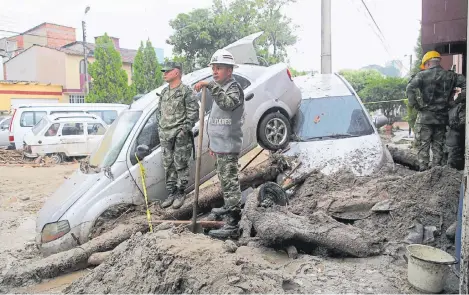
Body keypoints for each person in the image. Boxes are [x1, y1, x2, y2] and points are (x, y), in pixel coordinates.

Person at [194, 49, 245, 239]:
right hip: (220, 146)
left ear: (229, 71)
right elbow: (217, 119)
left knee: (230, 183)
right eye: (213, 68)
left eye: (219, 68)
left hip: (229, 145)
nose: (215, 72)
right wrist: (213, 144)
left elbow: (227, 104)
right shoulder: (220, 87)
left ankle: (233, 223)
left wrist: (210, 85)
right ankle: (229, 208)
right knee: (224, 180)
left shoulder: (233, 88)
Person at [406, 50, 466, 171]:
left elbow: (409, 88)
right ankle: (436, 172)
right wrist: (456, 102)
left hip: (425, 118)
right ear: (438, 61)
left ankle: (423, 173)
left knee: (423, 146)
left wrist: (416, 105)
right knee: (438, 147)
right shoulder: (451, 76)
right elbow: (466, 84)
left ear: (427, 63)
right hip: (442, 118)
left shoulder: (422, 75)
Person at [158, 61, 199, 209]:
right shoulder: (164, 92)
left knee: (181, 164)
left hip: (179, 135)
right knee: (168, 165)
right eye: (164, 72)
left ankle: (180, 193)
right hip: (165, 135)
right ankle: (171, 193)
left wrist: (184, 130)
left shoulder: (186, 91)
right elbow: (160, 113)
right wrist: (160, 129)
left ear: (176, 72)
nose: (165, 74)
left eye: (167, 71)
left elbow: (194, 113)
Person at [446, 87, 466, 170]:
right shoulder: (453, 107)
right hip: (451, 142)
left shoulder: (458, 107)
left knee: (451, 165)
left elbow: (462, 124)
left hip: (453, 142)